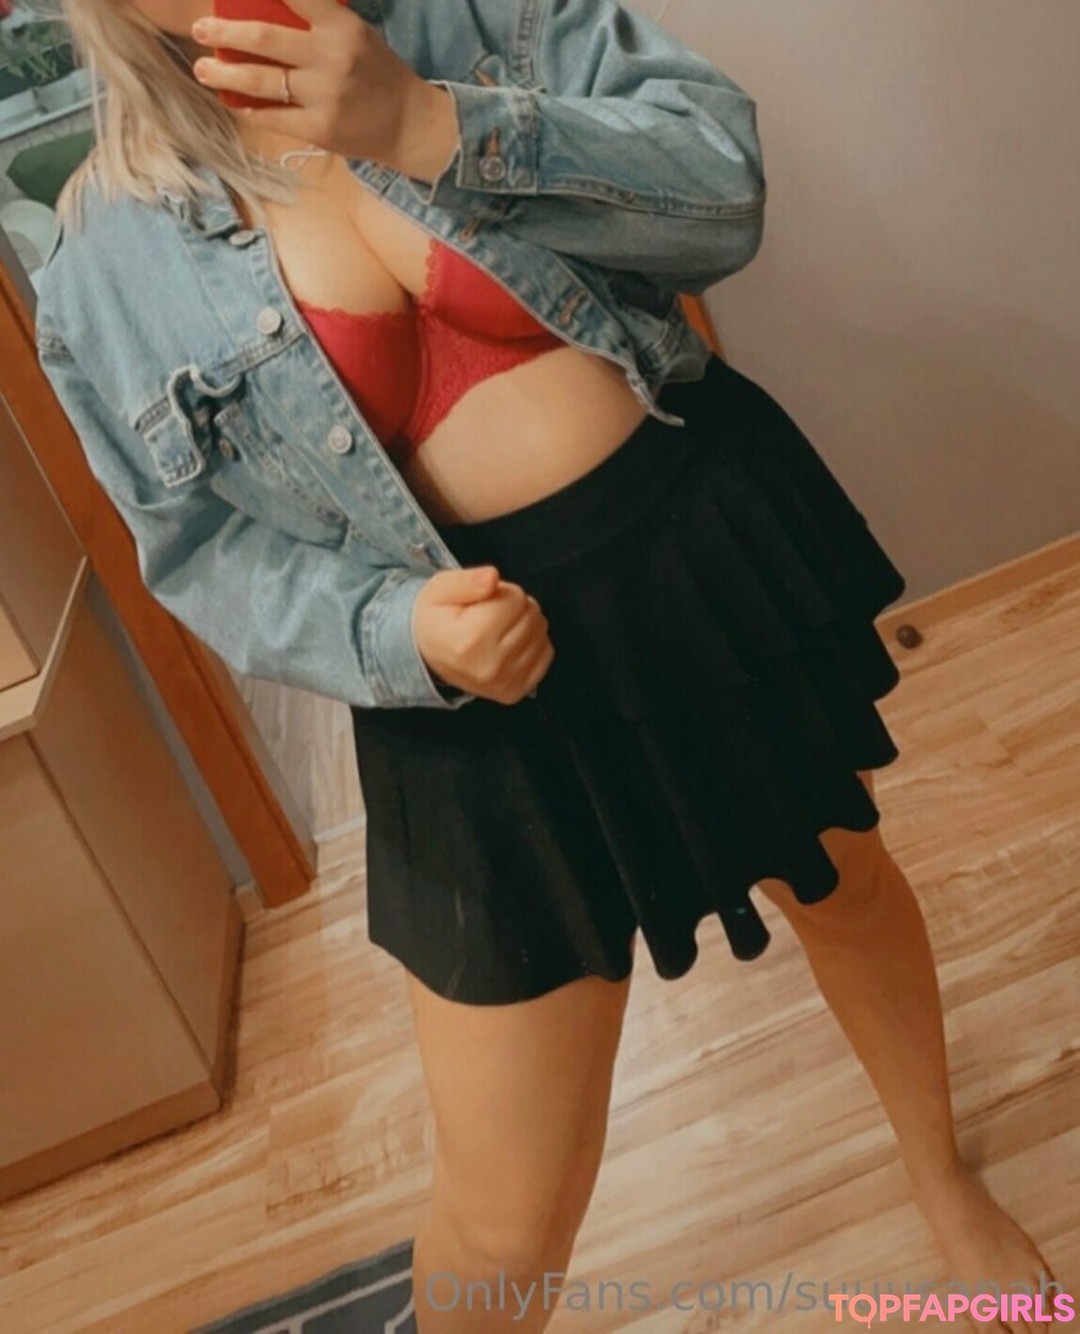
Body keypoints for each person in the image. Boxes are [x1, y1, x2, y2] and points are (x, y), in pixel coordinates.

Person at [33, 1, 1056, 1330]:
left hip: (689, 563)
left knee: (839, 879)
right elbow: (199, 556)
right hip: (466, 689)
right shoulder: (106, 263)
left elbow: (723, 194)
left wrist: (429, 122)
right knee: (506, 1204)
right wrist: (394, 631)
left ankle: (940, 1176)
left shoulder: (479, 15)